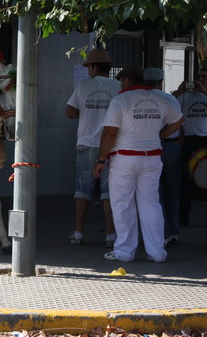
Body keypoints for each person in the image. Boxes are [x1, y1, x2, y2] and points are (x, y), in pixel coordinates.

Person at [94, 64, 184, 263]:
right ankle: (157, 252)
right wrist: (160, 135)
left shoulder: (121, 100)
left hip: (124, 159)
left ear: (126, 81)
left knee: (123, 204)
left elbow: (110, 132)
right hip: (151, 158)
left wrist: (100, 159)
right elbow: (179, 120)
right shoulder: (160, 99)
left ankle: (124, 252)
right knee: (151, 204)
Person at [65, 49, 120, 247]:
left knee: (82, 191)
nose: (88, 70)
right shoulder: (118, 87)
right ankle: (110, 236)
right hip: (110, 146)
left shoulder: (83, 86)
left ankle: (78, 233)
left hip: (86, 144)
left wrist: (88, 115)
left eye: (89, 67)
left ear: (95, 67)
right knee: (108, 192)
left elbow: (69, 112)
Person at [143, 67, 183, 247]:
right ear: (161, 81)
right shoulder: (170, 98)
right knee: (172, 191)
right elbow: (181, 122)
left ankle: (157, 232)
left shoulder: (143, 99)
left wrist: (158, 136)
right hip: (171, 147)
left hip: (152, 148)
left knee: (154, 194)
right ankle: (172, 231)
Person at [174, 68, 207, 227]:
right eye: (198, 77)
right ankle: (182, 216)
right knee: (184, 180)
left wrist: (205, 92)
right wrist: (179, 91)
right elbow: (171, 106)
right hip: (188, 139)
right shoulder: (186, 96)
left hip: (205, 139)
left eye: (203, 77)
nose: (200, 80)